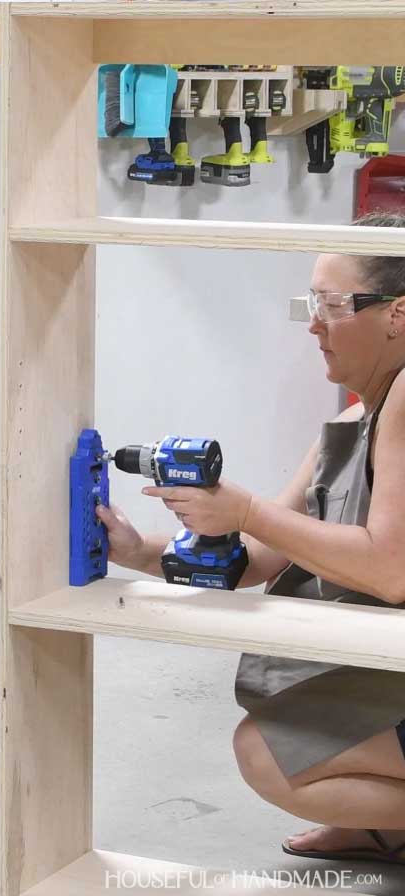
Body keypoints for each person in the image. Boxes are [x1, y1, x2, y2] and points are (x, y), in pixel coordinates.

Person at [97, 213, 405, 865]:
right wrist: (134, 550)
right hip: (387, 663)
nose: (314, 324)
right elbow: (258, 559)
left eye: (331, 305)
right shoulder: (355, 418)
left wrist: (244, 510)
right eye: (310, 305)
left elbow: (390, 570)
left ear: (397, 314)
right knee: (269, 745)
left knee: (270, 755)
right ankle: (384, 825)